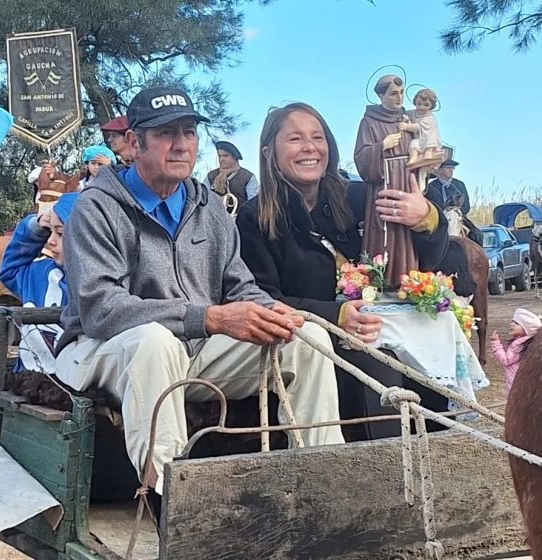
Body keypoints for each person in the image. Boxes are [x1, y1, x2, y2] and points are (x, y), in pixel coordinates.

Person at [57, 87, 345, 507]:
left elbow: (240, 285)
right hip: (100, 350)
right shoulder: (96, 208)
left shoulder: (209, 206)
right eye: (166, 133)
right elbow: (101, 310)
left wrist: (270, 310)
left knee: (306, 339)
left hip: (192, 352)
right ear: (134, 143)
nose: (181, 144)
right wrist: (208, 319)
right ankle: (170, 497)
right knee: (155, 341)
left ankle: (324, 480)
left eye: (189, 132)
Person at [237, 103, 450, 441]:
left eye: (318, 137)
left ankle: (440, 467)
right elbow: (264, 299)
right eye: (295, 139)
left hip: (389, 328)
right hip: (316, 343)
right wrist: (334, 316)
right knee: (374, 369)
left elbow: (423, 261)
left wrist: (427, 216)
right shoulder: (254, 220)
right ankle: (383, 475)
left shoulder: (360, 196)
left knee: (431, 369)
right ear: (268, 152)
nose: (310, 148)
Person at [0, 192, 79, 374]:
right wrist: (36, 227)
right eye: (49, 231)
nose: (50, 241)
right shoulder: (38, 273)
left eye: (59, 233)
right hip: (24, 384)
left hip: (72, 389)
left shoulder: (100, 288)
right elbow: (10, 270)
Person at [354, 74, 420, 286]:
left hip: (408, 182)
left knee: (407, 232)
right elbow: (361, 158)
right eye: (393, 93)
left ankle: (409, 282)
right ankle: (382, 282)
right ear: (381, 95)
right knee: (385, 230)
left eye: (401, 93)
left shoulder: (408, 120)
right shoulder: (369, 121)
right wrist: (381, 146)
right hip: (385, 183)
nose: (399, 97)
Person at [491, 308, 542, 395]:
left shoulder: (518, 344)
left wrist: (495, 343)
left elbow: (506, 360)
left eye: (516, 323)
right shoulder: (527, 342)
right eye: (512, 321)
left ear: (526, 330)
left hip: (514, 381)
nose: (512, 324)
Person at [202, 141, 259, 213]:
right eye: (220, 156)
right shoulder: (211, 176)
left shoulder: (248, 177)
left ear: (235, 157)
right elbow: (203, 198)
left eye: (225, 156)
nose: (221, 159)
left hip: (239, 220)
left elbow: (253, 204)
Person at [401, 88, 442, 166]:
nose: (422, 107)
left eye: (426, 105)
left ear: (431, 106)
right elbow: (405, 115)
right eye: (419, 104)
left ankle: (428, 152)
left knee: (431, 138)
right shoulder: (411, 112)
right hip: (418, 138)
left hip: (428, 138)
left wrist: (406, 126)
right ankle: (413, 157)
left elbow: (418, 127)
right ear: (415, 102)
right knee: (413, 143)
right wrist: (405, 118)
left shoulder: (430, 117)